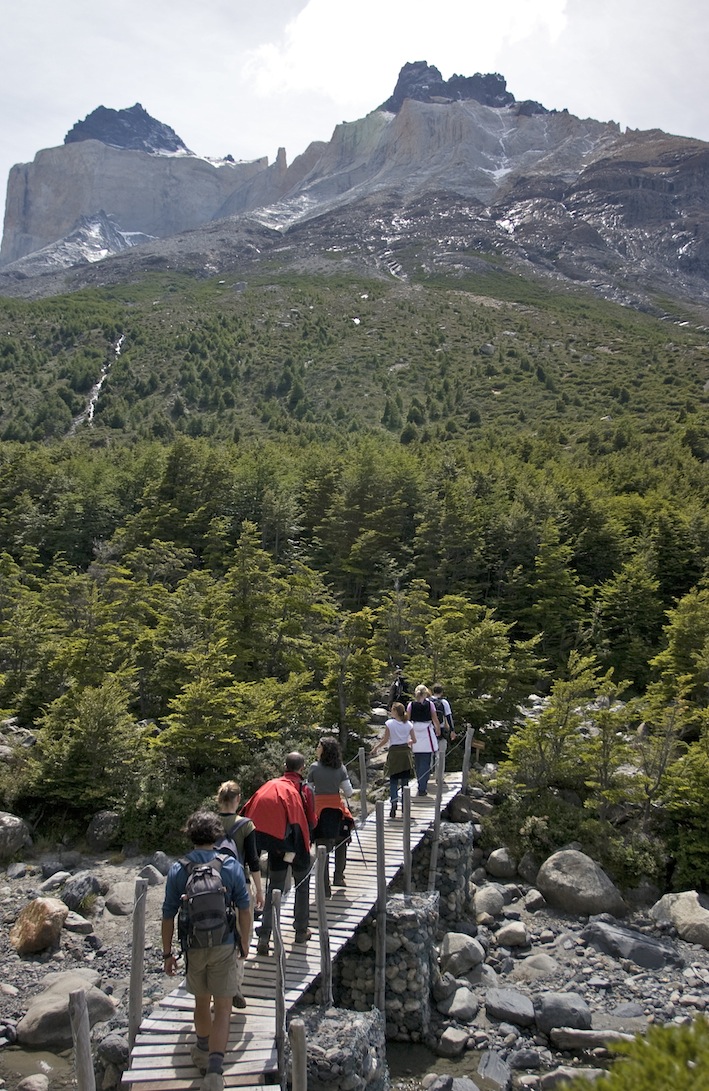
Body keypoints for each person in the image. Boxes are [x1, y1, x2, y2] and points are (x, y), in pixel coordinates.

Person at [162, 810, 252, 1091]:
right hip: (225, 943)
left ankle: (201, 1049)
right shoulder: (230, 865)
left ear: (189, 834)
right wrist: (245, 942)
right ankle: (214, 1070)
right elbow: (245, 908)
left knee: (202, 1002)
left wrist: (168, 953)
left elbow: (168, 914)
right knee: (223, 1008)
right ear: (216, 834)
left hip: (194, 946)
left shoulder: (179, 868)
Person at [241, 752, 316, 956]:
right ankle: (301, 930)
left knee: (274, 886)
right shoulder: (305, 788)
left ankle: (264, 936)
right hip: (295, 842)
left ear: (285, 766)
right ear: (302, 768)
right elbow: (311, 819)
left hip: (274, 842)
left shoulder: (270, 785)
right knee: (302, 884)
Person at [215, 780, 265, 1007]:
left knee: (217, 935)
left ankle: (216, 990)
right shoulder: (246, 825)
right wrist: (259, 889)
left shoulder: (210, 824)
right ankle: (235, 986)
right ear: (237, 800)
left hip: (212, 886)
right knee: (243, 934)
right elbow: (253, 861)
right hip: (239, 885)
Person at [307, 736, 355, 895]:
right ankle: (339, 876)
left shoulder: (314, 768)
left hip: (320, 813)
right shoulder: (341, 768)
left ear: (324, 750)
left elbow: (308, 791)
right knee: (342, 844)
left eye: (319, 746)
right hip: (337, 811)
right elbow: (349, 792)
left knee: (323, 850)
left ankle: (324, 886)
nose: (316, 749)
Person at [370, 701, 416, 818]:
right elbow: (414, 740)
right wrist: (407, 742)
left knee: (394, 781)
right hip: (405, 752)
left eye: (392, 710)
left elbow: (386, 739)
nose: (391, 712)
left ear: (395, 711)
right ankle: (405, 806)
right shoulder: (409, 724)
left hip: (394, 752)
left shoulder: (390, 723)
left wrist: (376, 747)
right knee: (405, 782)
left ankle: (394, 803)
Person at [406, 684, 441, 796]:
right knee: (426, 762)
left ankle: (419, 782)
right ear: (426, 693)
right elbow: (435, 719)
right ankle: (422, 787)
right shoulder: (430, 704)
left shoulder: (411, 705)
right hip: (427, 734)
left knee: (417, 761)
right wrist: (438, 729)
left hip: (415, 733)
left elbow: (407, 720)